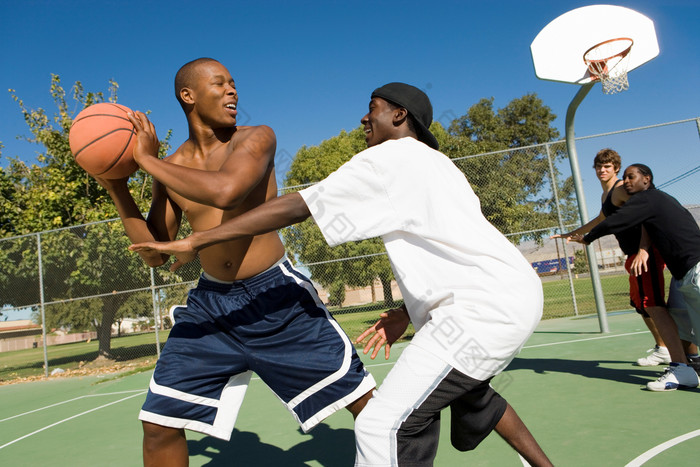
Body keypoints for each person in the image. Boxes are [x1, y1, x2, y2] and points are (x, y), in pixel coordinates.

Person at [130, 82, 553, 466]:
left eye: (373, 109)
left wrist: (195, 240)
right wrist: (409, 310)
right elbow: (453, 247)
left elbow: (296, 205)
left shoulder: (388, 158)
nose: (364, 118)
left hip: (479, 310)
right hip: (501, 295)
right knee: (469, 393)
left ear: (399, 116)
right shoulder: (436, 164)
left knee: (379, 425)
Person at [97, 58, 375, 466]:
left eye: (233, 84)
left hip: (275, 298)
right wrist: (118, 188)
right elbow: (155, 253)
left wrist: (147, 160)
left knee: (364, 404)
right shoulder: (170, 168)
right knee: (158, 424)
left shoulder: (256, 138)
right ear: (187, 96)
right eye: (220, 84)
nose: (233, 92)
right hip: (211, 306)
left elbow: (227, 191)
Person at [582, 164, 700, 391]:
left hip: (695, 268)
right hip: (684, 274)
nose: (626, 181)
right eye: (624, 177)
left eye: (631, 176)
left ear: (647, 179)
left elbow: (617, 220)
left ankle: (684, 367)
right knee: (684, 322)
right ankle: (686, 369)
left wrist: (588, 238)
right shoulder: (651, 203)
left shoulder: (648, 199)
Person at [552, 149, 671, 367]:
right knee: (640, 303)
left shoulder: (620, 189)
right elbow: (600, 219)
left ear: (616, 168)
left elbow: (647, 211)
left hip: (646, 253)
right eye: (599, 166)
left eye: (607, 166)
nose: (602, 170)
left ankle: (678, 355)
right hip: (633, 254)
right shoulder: (606, 195)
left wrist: (644, 248)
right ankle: (662, 348)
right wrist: (573, 234)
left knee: (652, 303)